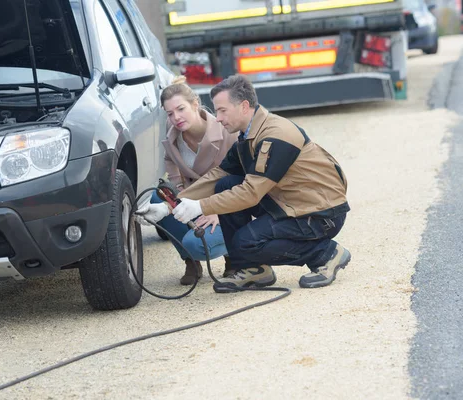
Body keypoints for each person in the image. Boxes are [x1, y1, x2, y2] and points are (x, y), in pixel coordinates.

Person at [139, 74, 351, 293]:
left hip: (321, 213)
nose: (218, 118)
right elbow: (218, 175)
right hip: (289, 202)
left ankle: (326, 254)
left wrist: (201, 206)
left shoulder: (275, 135)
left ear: (244, 106)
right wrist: (169, 206)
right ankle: (253, 270)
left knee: (245, 243)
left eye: (222, 110)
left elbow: (251, 193)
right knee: (226, 183)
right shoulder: (247, 135)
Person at [136, 76, 238, 285]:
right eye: (170, 113)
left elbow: (242, 180)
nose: (176, 117)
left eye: (181, 109)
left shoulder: (226, 131)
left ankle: (233, 258)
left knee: (199, 243)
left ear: (195, 104)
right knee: (157, 196)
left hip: (227, 202)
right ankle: (190, 261)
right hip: (193, 197)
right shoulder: (173, 131)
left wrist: (218, 211)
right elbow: (169, 159)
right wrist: (178, 190)